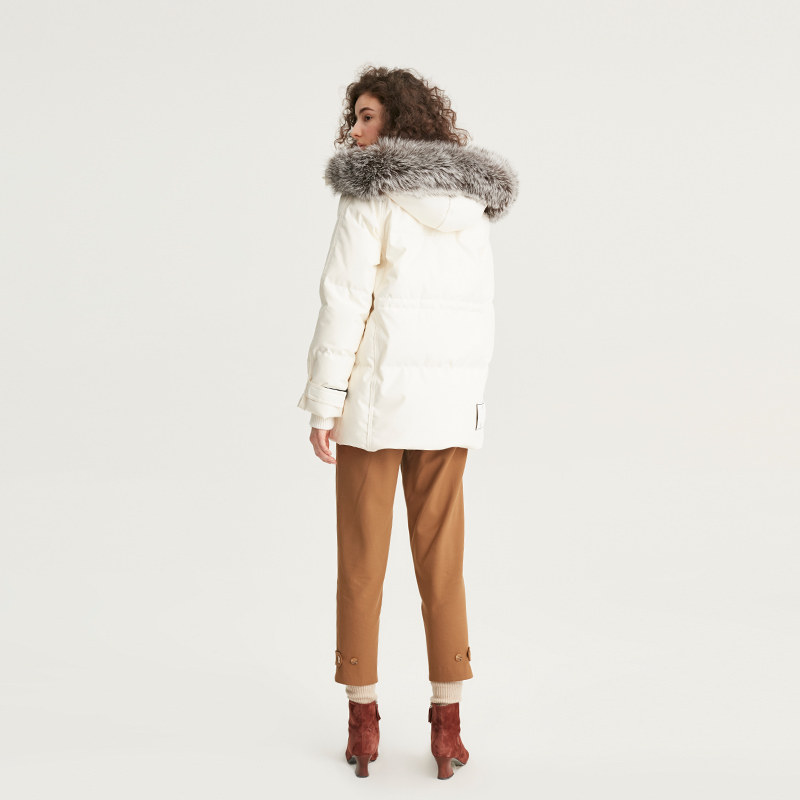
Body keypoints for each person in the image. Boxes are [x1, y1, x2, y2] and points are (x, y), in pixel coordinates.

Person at [296, 66, 519, 779]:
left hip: (373, 406)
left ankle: (363, 722)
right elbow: (479, 316)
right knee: (443, 565)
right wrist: (468, 402)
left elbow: (344, 302)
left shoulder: (370, 194)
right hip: (447, 412)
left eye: (367, 117)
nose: (355, 131)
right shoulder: (470, 203)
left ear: (396, 121)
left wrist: (325, 403)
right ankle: (447, 728)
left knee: (361, 565)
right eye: (354, 118)